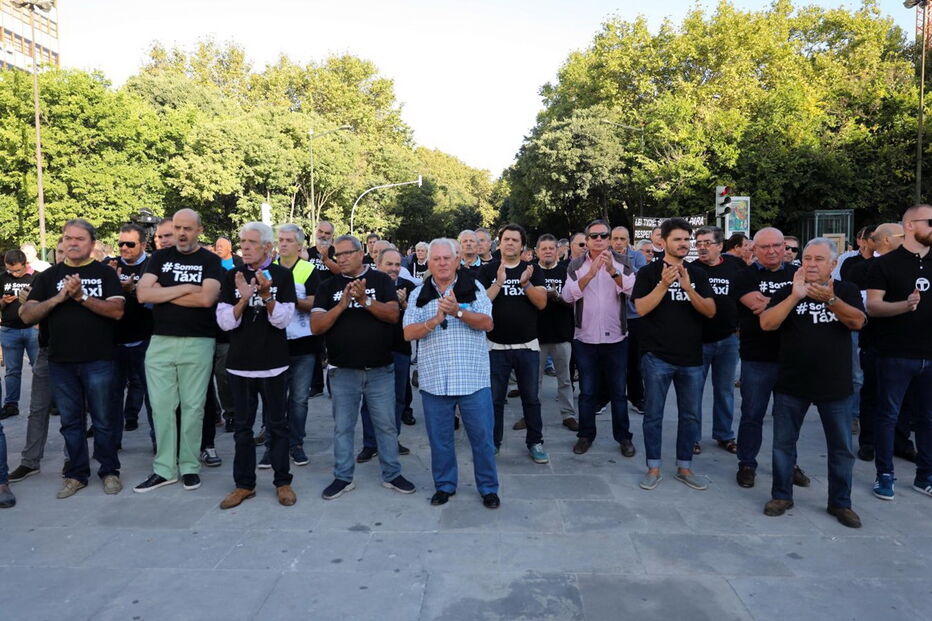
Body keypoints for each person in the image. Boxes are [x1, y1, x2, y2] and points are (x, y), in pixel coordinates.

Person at [760, 238, 866, 528]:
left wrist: (831, 300)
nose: (811, 264)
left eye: (819, 259)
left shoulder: (846, 290)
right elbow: (767, 324)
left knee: (841, 448)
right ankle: (782, 495)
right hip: (792, 383)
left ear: (833, 264)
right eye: (807, 258)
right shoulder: (787, 290)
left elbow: (858, 322)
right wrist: (795, 296)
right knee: (783, 445)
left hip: (835, 385)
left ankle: (840, 503)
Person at [21, 219, 125, 499]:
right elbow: (27, 315)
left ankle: (109, 471)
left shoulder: (105, 273)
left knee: (103, 419)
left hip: (99, 359)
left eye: (79, 238)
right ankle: (76, 474)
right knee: (70, 422)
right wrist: (59, 297)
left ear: (91, 244)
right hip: (60, 361)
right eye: (68, 238)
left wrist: (81, 297)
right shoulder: (48, 276)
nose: (72, 243)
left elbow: (116, 311)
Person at [311, 235, 415, 500]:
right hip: (342, 370)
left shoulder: (380, 280)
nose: (342, 259)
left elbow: (392, 315)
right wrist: (343, 304)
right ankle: (343, 477)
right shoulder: (328, 286)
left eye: (347, 253)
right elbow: (316, 326)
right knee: (343, 427)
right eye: (337, 255)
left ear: (361, 254)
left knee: (386, 425)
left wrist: (365, 301)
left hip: (380, 369)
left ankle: (392, 474)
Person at [403, 238, 500, 508]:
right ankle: (445, 486)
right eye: (437, 259)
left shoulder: (475, 288)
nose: (443, 263)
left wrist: (457, 311)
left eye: (447, 258)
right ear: (429, 263)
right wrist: (435, 320)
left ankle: (488, 488)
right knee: (440, 441)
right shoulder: (418, 294)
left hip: (472, 380)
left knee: (482, 440)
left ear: (457, 261)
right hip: (434, 381)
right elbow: (408, 332)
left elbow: (488, 323)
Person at [133, 209, 222, 493]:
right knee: (161, 408)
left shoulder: (211, 261)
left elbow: (207, 298)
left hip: (198, 341)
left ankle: (189, 466)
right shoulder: (159, 257)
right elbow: (143, 294)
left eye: (187, 228)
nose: (182, 233)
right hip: (160, 341)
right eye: (178, 228)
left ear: (199, 230)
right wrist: (185, 286)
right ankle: (164, 469)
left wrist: (166, 291)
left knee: (193, 408)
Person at [217, 222, 297, 509]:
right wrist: (244, 297)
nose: (245, 247)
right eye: (243, 242)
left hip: (273, 365)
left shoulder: (282, 276)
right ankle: (244, 485)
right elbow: (226, 321)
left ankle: (282, 481)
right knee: (242, 429)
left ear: (266, 246)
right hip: (240, 365)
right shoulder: (231, 276)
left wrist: (266, 295)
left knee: (277, 425)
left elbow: (283, 320)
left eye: (251, 242)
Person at [632, 217, 716, 491]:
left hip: (691, 358)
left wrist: (688, 288)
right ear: (663, 241)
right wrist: (664, 285)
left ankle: (684, 467)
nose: (684, 244)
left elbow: (710, 311)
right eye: (678, 239)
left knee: (690, 415)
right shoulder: (648, 272)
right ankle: (653, 467)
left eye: (686, 239)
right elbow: (641, 309)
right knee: (653, 415)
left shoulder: (698, 274)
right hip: (657, 357)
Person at [734, 227, 810, 490]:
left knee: (787, 417)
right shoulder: (744, 275)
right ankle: (747, 463)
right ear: (754, 249)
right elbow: (757, 306)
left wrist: (777, 304)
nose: (773, 251)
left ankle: (789, 464)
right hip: (757, 357)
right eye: (765, 247)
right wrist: (792, 299)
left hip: (791, 358)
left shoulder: (796, 274)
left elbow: (794, 307)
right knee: (752, 414)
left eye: (778, 245)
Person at [865, 204, 932, 500]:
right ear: (910, 225)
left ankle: (925, 475)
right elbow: (873, 306)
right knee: (888, 416)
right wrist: (904, 305)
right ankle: (885, 474)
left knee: (928, 419)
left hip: (929, 355)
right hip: (894, 353)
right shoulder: (885, 265)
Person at [563, 220, 637, 455]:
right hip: (585, 339)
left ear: (608, 239)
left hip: (616, 339)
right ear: (587, 240)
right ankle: (585, 435)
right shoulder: (576, 265)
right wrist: (590, 274)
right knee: (587, 391)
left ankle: (624, 437)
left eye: (603, 235)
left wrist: (612, 272)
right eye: (593, 236)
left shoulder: (623, 262)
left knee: (618, 391)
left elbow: (633, 290)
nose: (598, 239)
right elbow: (567, 296)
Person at [477, 224, 549, 463]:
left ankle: (535, 442)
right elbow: (480, 304)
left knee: (531, 399)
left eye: (515, 240)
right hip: (495, 347)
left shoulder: (533, 270)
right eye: (506, 239)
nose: (510, 243)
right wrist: (498, 282)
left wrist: (526, 284)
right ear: (500, 243)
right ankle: (494, 442)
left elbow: (541, 304)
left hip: (527, 346)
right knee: (495, 400)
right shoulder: (487, 271)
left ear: (522, 246)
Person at [7, 239, 64, 483]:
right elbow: (29, 314)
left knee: (74, 411)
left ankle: (74, 460)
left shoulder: (90, 276)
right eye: (60, 250)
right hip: (47, 349)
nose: (63, 254)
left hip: (78, 353)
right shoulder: (45, 278)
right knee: (37, 408)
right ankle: (30, 461)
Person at [357, 248, 418, 461]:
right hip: (373, 351)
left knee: (398, 399)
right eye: (389, 264)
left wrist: (403, 304)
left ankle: (391, 441)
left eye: (396, 265)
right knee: (369, 401)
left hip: (400, 350)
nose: (393, 269)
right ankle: (370, 443)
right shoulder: (367, 286)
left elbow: (420, 318)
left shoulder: (409, 287)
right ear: (378, 264)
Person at [271, 223, 320, 467]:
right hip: (274, 343)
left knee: (299, 399)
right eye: (281, 239)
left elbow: (316, 302)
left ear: (299, 245)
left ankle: (296, 443)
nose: (283, 243)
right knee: (274, 399)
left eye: (289, 240)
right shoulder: (268, 269)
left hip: (303, 345)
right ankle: (273, 444)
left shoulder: (308, 270)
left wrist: (291, 299)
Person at [106, 224, 154, 453]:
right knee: (113, 397)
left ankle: (159, 443)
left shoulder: (153, 265)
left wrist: (134, 289)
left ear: (143, 245)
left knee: (153, 396)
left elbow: (157, 301)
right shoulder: (109, 266)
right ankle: (113, 443)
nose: (123, 248)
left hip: (146, 339)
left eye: (130, 244)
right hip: (115, 341)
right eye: (121, 243)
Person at [695, 226, 742, 454]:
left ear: (720, 246)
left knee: (724, 390)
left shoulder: (736, 267)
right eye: (699, 243)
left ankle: (724, 435)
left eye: (707, 243)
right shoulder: (691, 269)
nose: (702, 247)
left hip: (728, 339)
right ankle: (692, 437)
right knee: (694, 391)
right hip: (698, 341)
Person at [534, 234, 578, 431]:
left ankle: (568, 414)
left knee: (565, 378)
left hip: (561, 333)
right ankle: (531, 415)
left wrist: (559, 297)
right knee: (534, 380)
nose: (548, 251)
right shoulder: (531, 272)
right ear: (537, 252)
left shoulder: (565, 272)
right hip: (537, 334)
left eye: (551, 248)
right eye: (544, 248)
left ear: (558, 251)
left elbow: (573, 300)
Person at [1, 249, 38, 420]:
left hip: (32, 329)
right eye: (10, 270)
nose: (14, 274)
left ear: (25, 264)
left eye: (17, 270)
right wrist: (2, 301)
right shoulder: (3, 278)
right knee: (12, 371)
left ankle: (46, 402)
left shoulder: (36, 277)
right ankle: (11, 404)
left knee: (39, 369)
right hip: (9, 330)